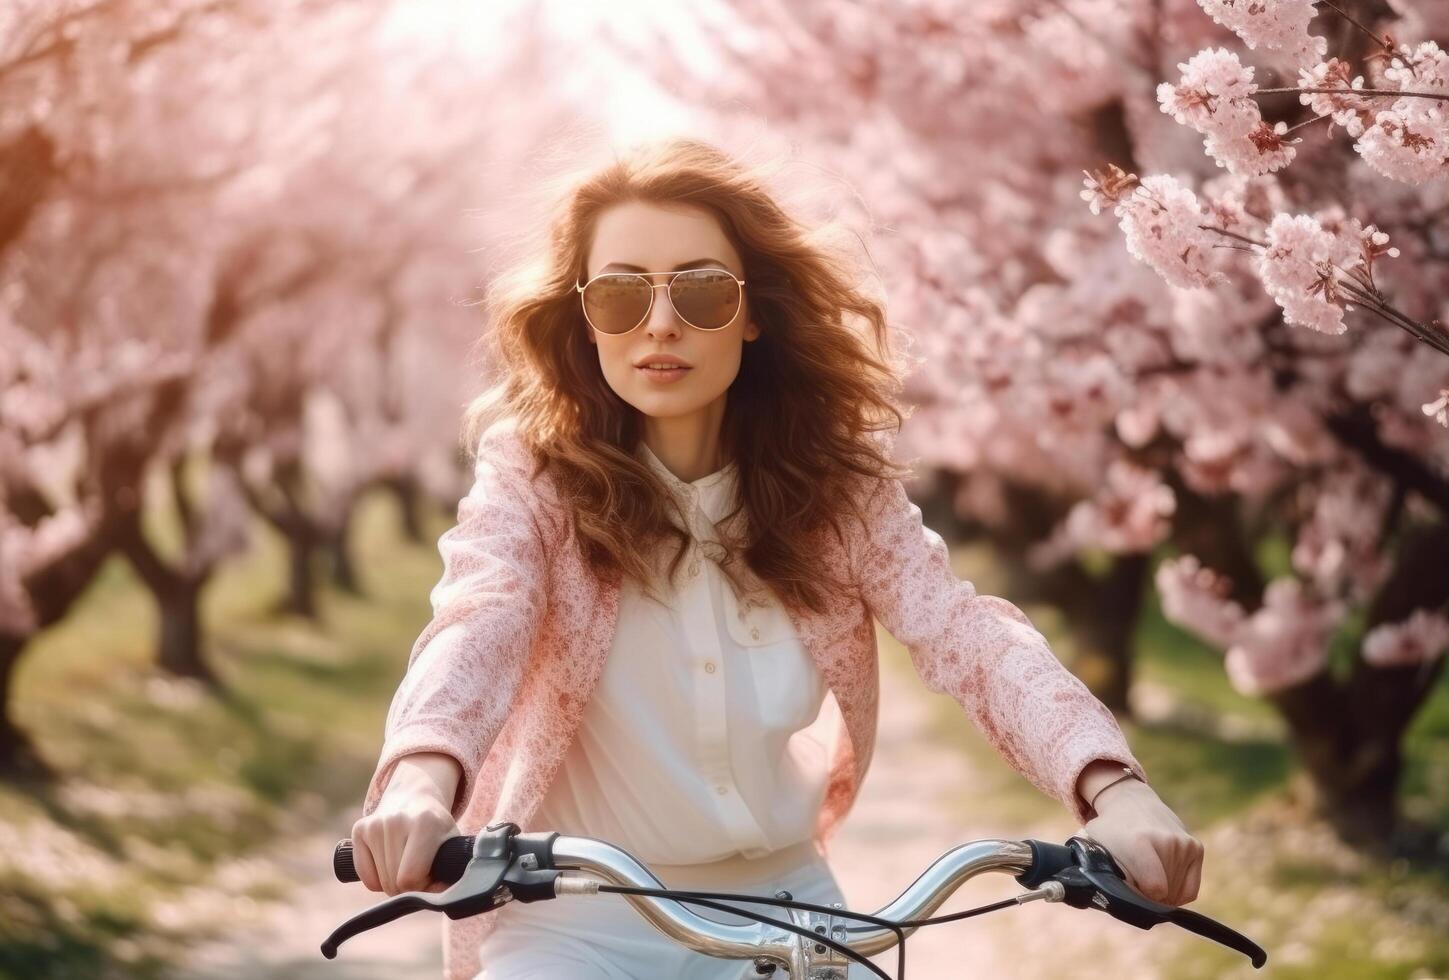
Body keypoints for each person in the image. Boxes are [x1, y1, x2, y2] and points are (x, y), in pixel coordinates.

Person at [351, 137, 1203, 980]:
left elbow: (966, 633)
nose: (659, 323)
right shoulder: (532, 479)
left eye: (702, 289)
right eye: (619, 295)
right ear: (583, 318)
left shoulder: (832, 487)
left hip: (790, 910)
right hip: (573, 919)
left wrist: (1112, 786)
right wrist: (422, 780)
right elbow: (477, 619)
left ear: (754, 310)